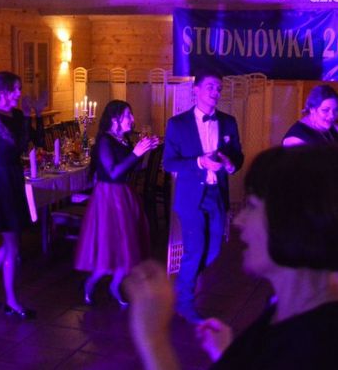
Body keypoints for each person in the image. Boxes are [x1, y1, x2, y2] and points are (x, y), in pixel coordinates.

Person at [125, 145, 338, 370]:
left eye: (252, 206)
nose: (239, 220)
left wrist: (153, 338)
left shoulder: (312, 347)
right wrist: (227, 354)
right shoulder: (289, 304)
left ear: (295, 222)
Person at [163, 70, 243, 322]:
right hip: (190, 197)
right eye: (210, 86)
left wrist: (231, 164)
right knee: (194, 250)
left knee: (214, 250)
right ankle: (184, 302)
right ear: (195, 90)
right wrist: (199, 162)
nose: (215, 92)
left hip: (216, 195)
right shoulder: (177, 124)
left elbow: (238, 156)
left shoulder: (228, 122)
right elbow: (168, 162)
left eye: (218, 88)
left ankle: (183, 285)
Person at [0, 71, 44, 319]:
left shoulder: (17, 115)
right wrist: (27, 116)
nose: (19, 93)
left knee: (10, 242)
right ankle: (12, 301)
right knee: (12, 244)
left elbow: (36, 141)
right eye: (15, 89)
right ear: (3, 91)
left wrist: (37, 115)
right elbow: (17, 144)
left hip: (13, 177)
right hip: (0, 180)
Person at [74, 100, 159, 306]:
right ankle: (90, 283)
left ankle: (115, 286)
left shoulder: (124, 139)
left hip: (124, 195)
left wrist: (144, 151)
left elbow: (132, 168)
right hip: (107, 197)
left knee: (127, 245)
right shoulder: (105, 141)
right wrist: (136, 153)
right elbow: (113, 172)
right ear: (115, 119)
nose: (133, 119)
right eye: (128, 115)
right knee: (109, 245)